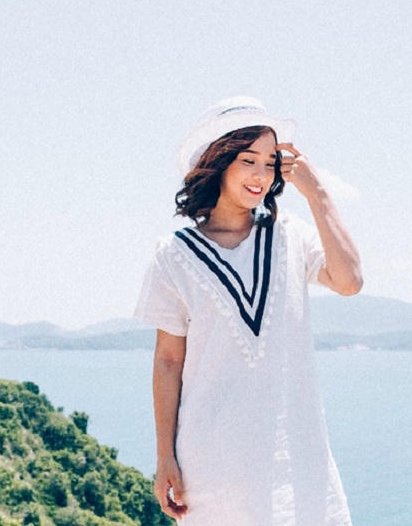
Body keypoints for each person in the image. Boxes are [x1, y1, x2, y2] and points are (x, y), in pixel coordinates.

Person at [133, 96, 363, 525]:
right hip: (212, 468)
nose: (261, 175)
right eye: (248, 160)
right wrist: (165, 457)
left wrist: (318, 195)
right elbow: (168, 361)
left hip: (296, 464)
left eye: (270, 163)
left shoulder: (290, 236)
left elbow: (349, 281)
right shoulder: (174, 255)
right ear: (219, 161)